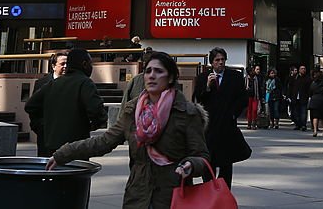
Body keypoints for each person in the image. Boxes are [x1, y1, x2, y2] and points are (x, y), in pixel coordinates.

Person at [47, 52, 211, 209]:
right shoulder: (133, 111)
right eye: (148, 71)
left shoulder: (187, 113)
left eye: (159, 71)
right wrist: (65, 153)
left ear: (171, 78)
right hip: (138, 196)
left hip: (172, 197)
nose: (152, 75)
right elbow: (104, 142)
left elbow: (202, 157)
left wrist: (190, 165)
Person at [25, 48, 107, 157]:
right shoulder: (85, 83)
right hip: (76, 146)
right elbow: (98, 112)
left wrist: (44, 127)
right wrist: (89, 126)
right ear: (84, 64)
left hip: (52, 145)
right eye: (90, 63)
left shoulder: (52, 84)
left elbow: (30, 106)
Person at [192, 47, 251, 188]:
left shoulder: (235, 76)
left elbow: (243, 98)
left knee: (226, 163)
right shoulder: (203, 77)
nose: (220, 62)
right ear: (212, 63)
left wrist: (233, 113)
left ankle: (224, 193)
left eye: (222, 60)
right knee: (208, 161)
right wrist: (207, 87)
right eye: (217, 60)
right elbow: (198, 99)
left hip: (227, 125)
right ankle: (209, 190)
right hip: (209, 126)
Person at [31, 50, 69, 153]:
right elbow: (33, 108)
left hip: (67, 137)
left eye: (68, 64)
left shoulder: (75, 83)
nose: (65, 66)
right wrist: (40, 127)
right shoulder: (41, 84)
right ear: (53, 66)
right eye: (62, 64)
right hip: (46, 136)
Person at [307, 68, 323, 137]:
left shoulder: (312, 83)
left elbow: (310, 92)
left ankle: (315, 130)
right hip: (322, 100)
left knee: (315, 116)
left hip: (314, 100)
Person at [245, 64, 266, 129]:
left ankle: (254, 123)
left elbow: (260, 88)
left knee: (254, 110)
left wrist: (261, 97)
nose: (253, 72)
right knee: (249, 110)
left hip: (255, 96)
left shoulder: (257, 78)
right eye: (251, 71)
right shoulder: (245, 79)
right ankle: (249, 124)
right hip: (248, 97)